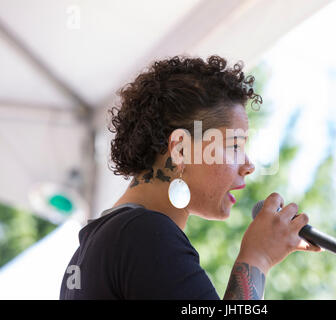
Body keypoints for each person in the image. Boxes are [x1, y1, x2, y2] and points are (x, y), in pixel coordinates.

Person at [59, 55, 322, 300]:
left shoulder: (90, 250)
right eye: (234, 146)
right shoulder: (146, 236)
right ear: (181, 149)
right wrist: (258, 257)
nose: (248, 165)